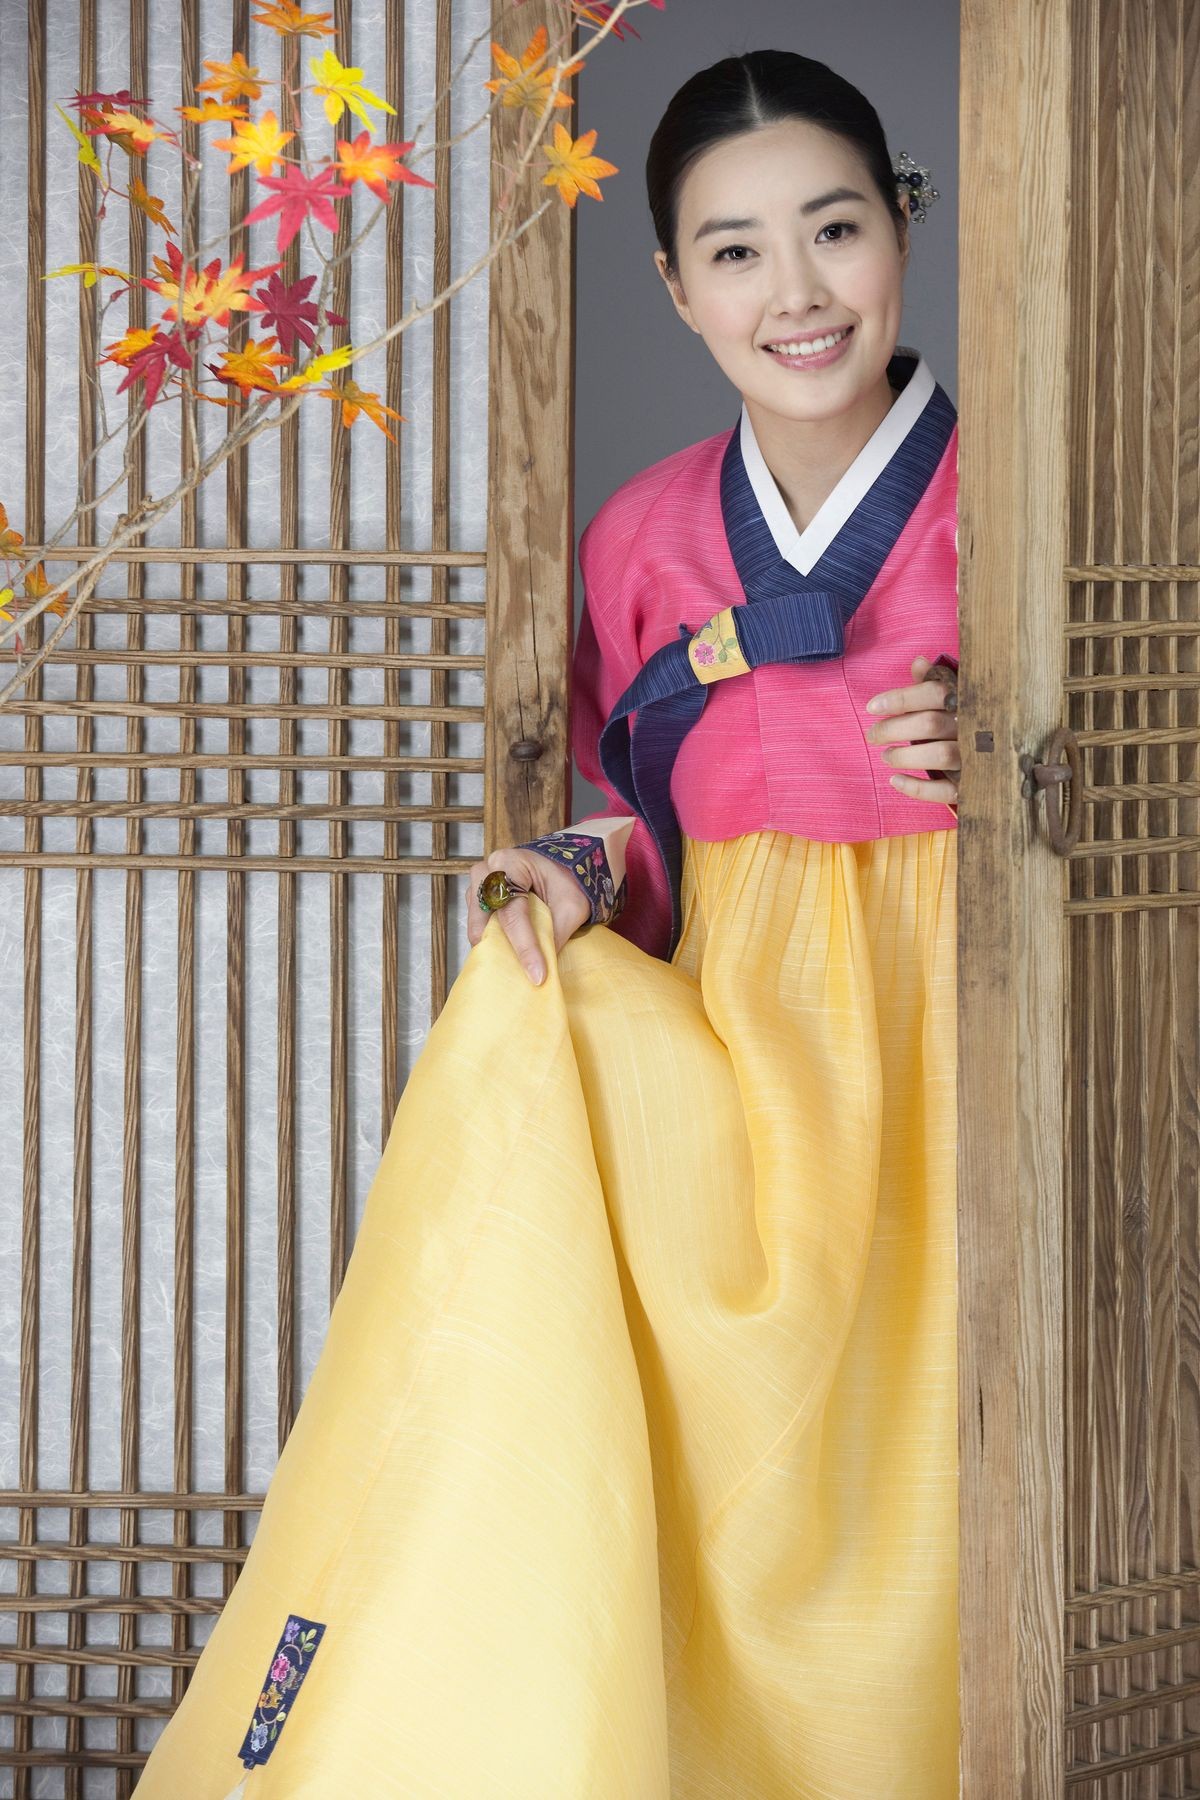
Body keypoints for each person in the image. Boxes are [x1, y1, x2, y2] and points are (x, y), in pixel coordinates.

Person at [134, 49, 961, 1800]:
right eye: (734, 252)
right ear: (672, 284)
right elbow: (640, 802)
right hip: (753, 1048)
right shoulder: (645, 533)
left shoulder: (1034, 495)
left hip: (973, 1049)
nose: (794, 291)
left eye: (832, 228)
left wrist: (1018, 755)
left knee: (936, 1511)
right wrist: (579, 874)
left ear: (902, 221)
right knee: (519, 1043)